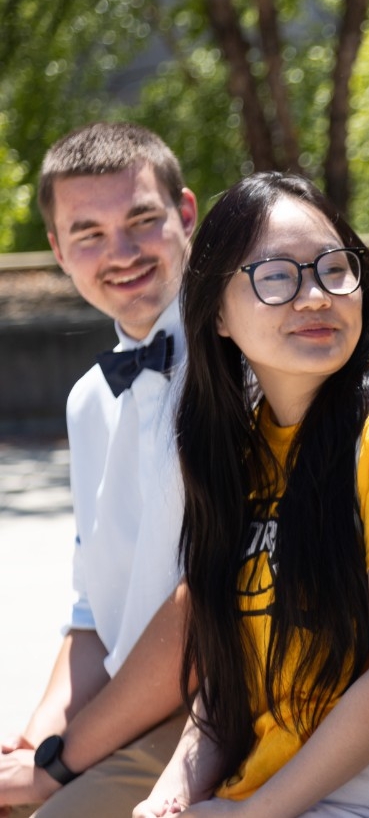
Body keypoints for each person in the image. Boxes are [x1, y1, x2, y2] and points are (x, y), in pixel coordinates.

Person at [133, 172, 369, 817]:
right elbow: (231, 677)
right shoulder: (238, 450)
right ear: (216, 312)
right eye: (276, 277)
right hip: (272, 787)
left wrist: (253, 814)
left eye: (333, 269)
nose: (316, 297)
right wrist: (173, 792)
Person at [0, 122, 198, 818]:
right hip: (122, 710)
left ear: (186, 215)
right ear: (56, 250)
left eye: (142, 219)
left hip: (221, 709)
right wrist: (38, 732)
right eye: (87, 233)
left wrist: (59, 762)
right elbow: (92, 612)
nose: (121, 252)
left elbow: (211, 611)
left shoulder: (241, 368)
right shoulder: (88, 398)